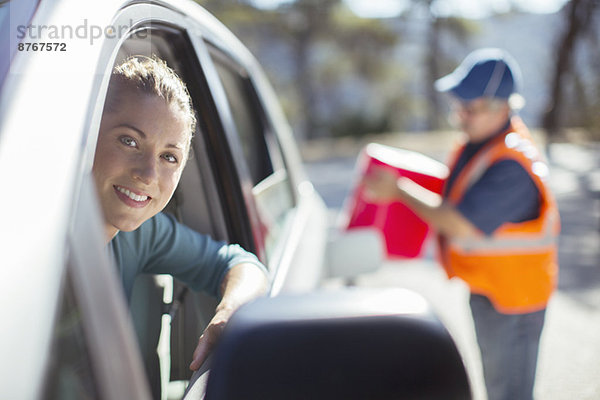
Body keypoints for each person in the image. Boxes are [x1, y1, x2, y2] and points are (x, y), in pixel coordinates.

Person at [364, 48, 560, 400]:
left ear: (501, 107)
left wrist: (399, 190)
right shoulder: (481, 143)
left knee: (508, 393)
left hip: (513, 300)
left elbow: (459, 222)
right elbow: (458, 191)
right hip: (491, 288)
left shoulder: (512, 165)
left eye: (469, 108)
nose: (460, 116)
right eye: (458, 106)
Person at [92, 55, 269, 372]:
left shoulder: (143, 233)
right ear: (88, 138)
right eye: (129, 141)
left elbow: (239, 263)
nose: (148, 174)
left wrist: (229, 312)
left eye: (169, 157)